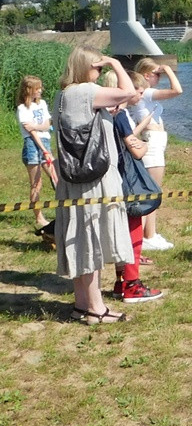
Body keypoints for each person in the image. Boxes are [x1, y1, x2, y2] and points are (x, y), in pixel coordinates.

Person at [54, 47, 136, 324]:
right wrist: (116, 62)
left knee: (79, 239)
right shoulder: (86, 92)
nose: (100, 73)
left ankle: (81, 304)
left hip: (73, 179)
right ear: (84, 67)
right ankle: (95, 309)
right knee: (91, 240)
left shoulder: (63, 95)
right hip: (95, 180)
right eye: (98, 67)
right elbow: (130, 92)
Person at [109, 71, 162, 303]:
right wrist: (144, 144)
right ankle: (132, 285)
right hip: (125, 180)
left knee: (119, 230)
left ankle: (120, 283)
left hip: (111, 178)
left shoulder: (105, 113)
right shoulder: (120, 116)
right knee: (132, 228)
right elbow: (136, 150)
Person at [130, 58, 183, 252]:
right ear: (146, 75)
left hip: (155, 142)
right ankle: (146, 237)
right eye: (157, 74)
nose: (159, 77)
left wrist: (162, 70)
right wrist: (169, 69)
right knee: (151, 192)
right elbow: (177, 90)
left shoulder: (145, 94)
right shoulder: (148, 92)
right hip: (152, 144)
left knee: (152, 191)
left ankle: (149, 234)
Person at [16, 75, 56, 228]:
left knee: (55, 176)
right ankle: (39, 217)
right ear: (29, 90)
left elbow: (47, 124)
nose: (41, 90)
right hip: (32, 145)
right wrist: (44, 149)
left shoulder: (43, 104)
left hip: (44, 141)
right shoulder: (22, 109)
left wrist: (37, 127)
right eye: (37, 88)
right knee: (36, 184)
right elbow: (30, 132)